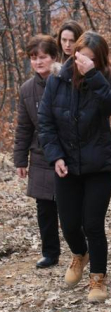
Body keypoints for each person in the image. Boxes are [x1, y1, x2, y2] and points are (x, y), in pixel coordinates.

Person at [38, 31, 111, 302]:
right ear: (73, 53)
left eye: (91, 60)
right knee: (70, 224)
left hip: (99, 165)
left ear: (99, 61)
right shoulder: (57, 79)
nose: (84, 63)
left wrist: (93, 77)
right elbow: (45, 122)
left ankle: (98, 278)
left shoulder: (104, 79)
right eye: (81, 57)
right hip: (67, 165)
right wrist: (56, 157)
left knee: (93, 224)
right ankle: (80, 254)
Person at [14, 35, 61, 269]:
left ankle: (81, 251)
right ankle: (50, 253)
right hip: (41, 156)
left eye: (43, 57)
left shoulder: (66, 80)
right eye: (33, 58)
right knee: (45, 209)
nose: (38, 62)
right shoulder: (27, 89)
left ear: (54, 57)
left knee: (72, 208)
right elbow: (24, 126)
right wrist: (20, 159)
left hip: (67, 154)